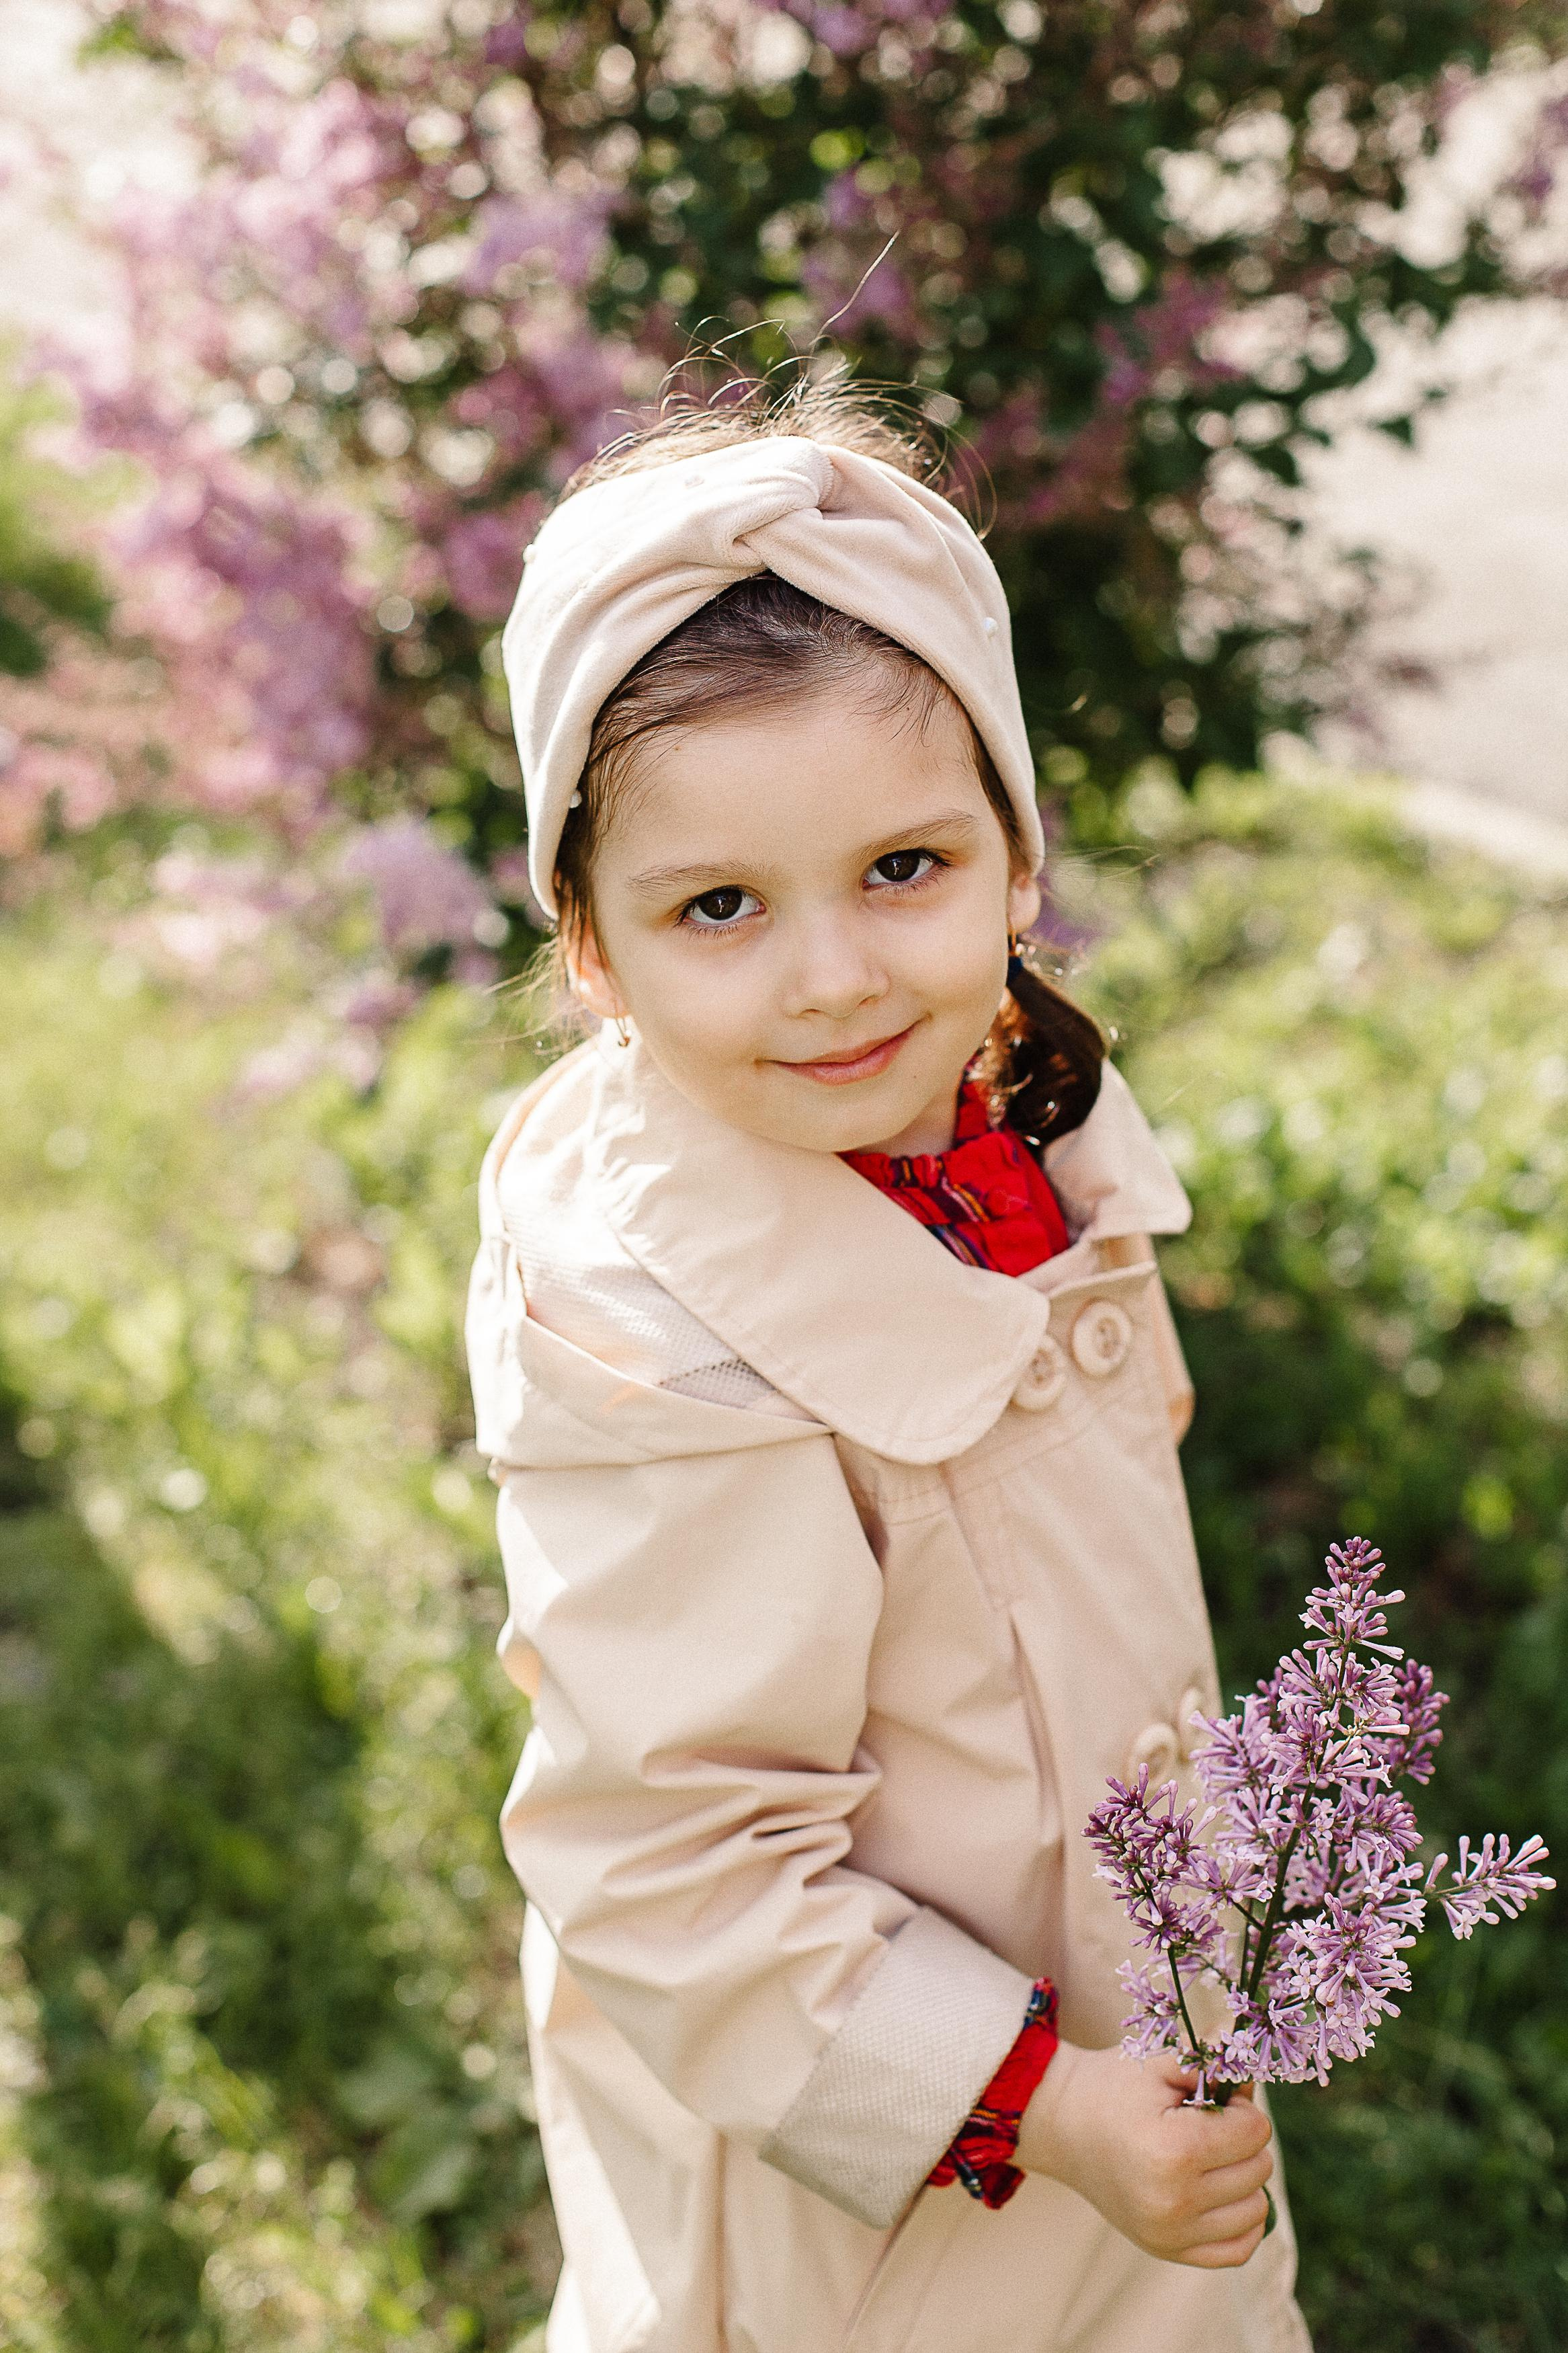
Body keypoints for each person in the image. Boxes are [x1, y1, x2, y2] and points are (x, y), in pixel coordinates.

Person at [464, 380, 1312, 2353]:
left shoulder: (1019, 1121)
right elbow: (671, 1861)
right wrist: (1046, 2101)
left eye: (905, 869)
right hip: (892, 2165)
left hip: (1117, 1990)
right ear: (588, 947)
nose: (836, 973)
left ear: (1017, 857)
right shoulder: (659, 1341)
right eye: (721, 906)